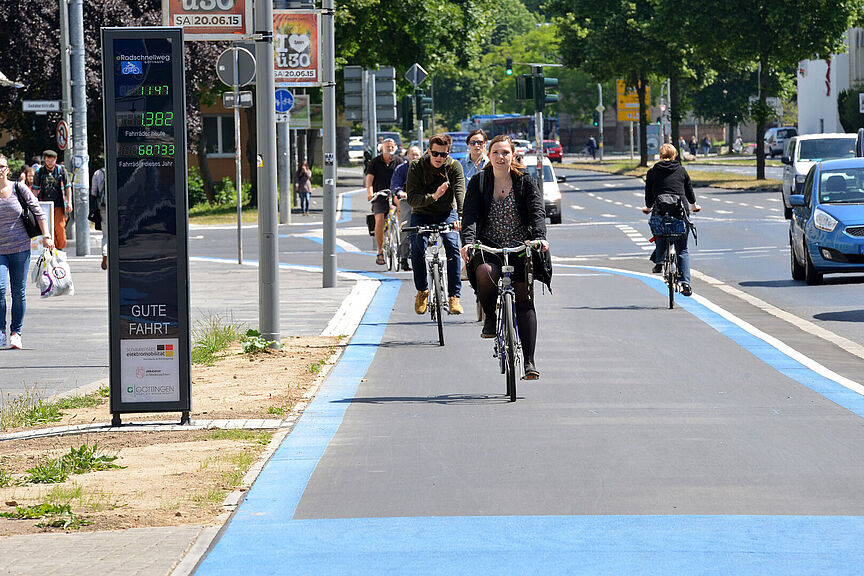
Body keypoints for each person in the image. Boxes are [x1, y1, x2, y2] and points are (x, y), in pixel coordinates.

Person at [460, 135, 551, 380]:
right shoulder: (479, 182)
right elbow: (469, 216)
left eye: (505, 153)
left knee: (525, 301)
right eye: (496, 153)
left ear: (513, 156)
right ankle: (490, 317)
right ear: (489, 156)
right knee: (486, 273)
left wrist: (540, 238)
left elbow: (537, 213)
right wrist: (468, 243)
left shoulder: (525, 182)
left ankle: (530, 362)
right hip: (489, 246)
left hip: (521, 247)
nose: (501, 157)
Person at [406, 133, 465, 315]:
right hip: (421, 213)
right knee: (417, 247)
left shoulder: (454, 167)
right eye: (435, 153)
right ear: (429, 151)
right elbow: (412, 199)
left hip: (446, 213)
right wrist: (434, 196)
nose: (439, 158)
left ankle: (454, 296)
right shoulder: (417, 166)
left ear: (448, 153)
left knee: (452, 246)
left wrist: (461, 216)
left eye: (443, 154)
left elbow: (460, 192)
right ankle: (422, 290)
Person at [0, 154, 53, 349]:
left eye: (2, 166)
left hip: (20, 248)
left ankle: (16, 332)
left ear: (7, 169)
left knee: (18, 292)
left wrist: (46, 235)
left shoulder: (18, 188)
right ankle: (1, 332)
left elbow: (38, 212)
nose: (0, 170)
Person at [641, 143, 701, 296]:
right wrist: (694, 206)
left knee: (659, 231)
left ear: (660, 156)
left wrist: (648, 208)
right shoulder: (681, 170)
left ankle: (659, 259)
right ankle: (685, 282)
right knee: (682, 249)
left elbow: (649, 195)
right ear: (674, 156)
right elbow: (689, 191)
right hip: (680, 213)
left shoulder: (652, 172)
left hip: (660, 212)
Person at [366, 138, 402, 265]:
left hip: (395, 193)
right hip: (380, 194)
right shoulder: (375, 162)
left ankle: (401, 239)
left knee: (400, 211)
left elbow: (404, 177)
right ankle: (380, 250)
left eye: (392, 146)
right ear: (382, 147)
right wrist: (370, 193)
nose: (390, 148)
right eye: (387, 146)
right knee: (379, 220)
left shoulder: (399, 161)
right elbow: (369, 180)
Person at [391, 145, 422, 271]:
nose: (414, 157)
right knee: (406, 227)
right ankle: (403, 258)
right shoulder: (401, 169)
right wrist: (400, 192)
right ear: (407, 155)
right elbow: (395, 184)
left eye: (417, 154)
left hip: (422, 200)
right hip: (407, 200)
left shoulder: (424, 168)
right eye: (412, 154)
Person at [32, 149, 71, 251]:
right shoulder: (39, 172)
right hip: (44, 204)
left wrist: (69, 202)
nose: (50, 162)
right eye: (47, 160)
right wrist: (34, 204)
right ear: (44, 160)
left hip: (59, 204)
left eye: (52, 160)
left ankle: (60, 249)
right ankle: (50, 249)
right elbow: (35, 189)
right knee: (48, 228)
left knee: (60, 226)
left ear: (56, 159)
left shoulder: (61, 170)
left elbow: (68, 187)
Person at [90, 166, 107, 270]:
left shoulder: (97, 173)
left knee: (106, 235)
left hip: (103, 207)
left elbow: (93, 193)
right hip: (120, 208)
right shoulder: (119, 168)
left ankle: (105, 253)